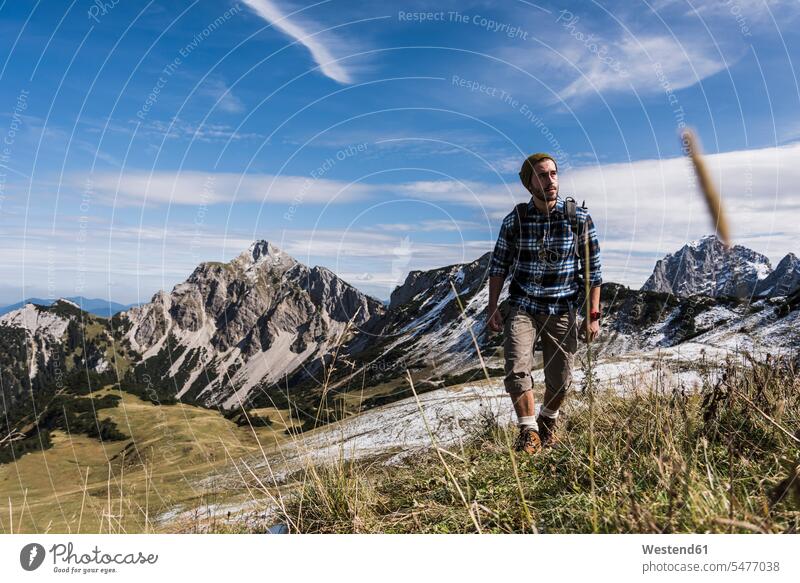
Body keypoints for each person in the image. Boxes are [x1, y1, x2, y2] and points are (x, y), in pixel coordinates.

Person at [486, 152, 603, 454]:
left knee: (561, 381)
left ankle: (547, 420)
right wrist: (492, 306)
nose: (550, 180)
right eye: (542, 175)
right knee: (516, 369)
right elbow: (499, 265)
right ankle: (528, 432)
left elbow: (593, 271)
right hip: (523, 306)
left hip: (562, 307)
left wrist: (593, 315)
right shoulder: (515, 221)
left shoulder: (578, 219)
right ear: (529, 184)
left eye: (553, 173)